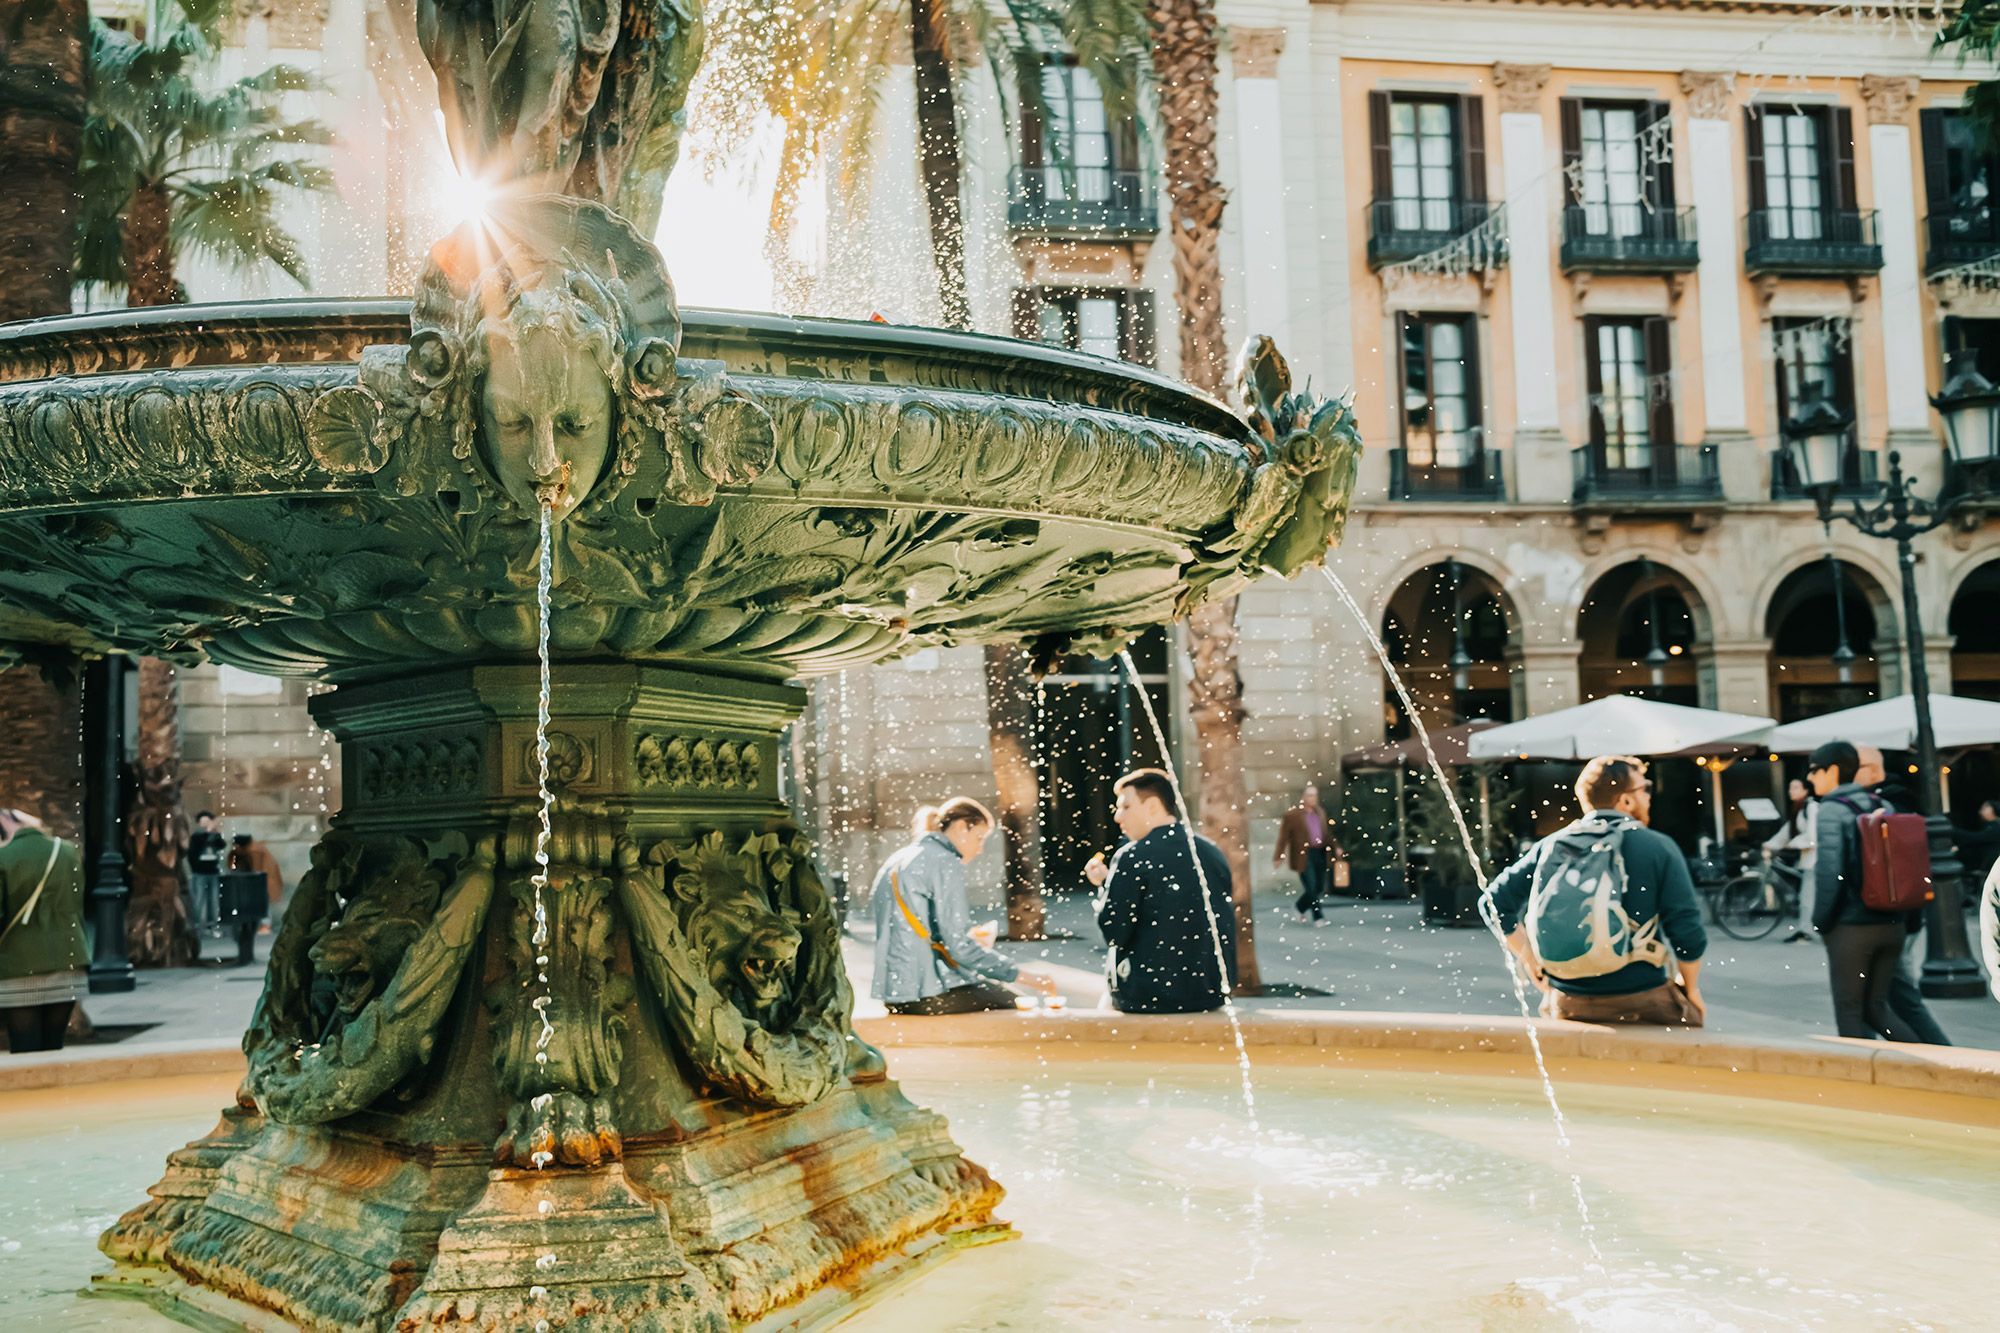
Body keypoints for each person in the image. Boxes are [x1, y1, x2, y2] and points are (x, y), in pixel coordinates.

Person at [1486, 755, 1707, 1027]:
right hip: (1642, 999)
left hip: (1567, 1000)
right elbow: (1687, 932)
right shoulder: (1657, 846)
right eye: (1645, 788)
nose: (1650, 796)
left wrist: (1529, 957)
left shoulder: (1552, 845)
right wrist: (1692, 989)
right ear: (1625, 800)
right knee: (1691, 1038)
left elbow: (1493, 902)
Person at [870, 799, 1058, 1015]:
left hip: (895, 993)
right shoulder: (944, 861)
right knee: (1019, 1008)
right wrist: (1025, 977)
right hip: (927, 994)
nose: (979, 849)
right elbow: (959, 948)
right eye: (979, 838)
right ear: (960, 827)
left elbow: (910, 931)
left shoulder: (898, 859)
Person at [1085, 768, 1237, 1014]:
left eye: (1125, 807)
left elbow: (1113, 930)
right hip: (1210, 995)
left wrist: (1105, 888)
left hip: (1149, 998)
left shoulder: (1132, 856)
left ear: (1153, 806)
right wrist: (1109, 881)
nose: (1117, 816)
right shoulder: (1210, 852)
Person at [1809, 741, 1925, 1043]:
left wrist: (1822, 921)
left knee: (1848, 1011)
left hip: (1853, 928)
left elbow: (1829, 873)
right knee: (1877, 1009)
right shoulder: (1881, 805)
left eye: (1814, 770)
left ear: (1833, 770)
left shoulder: (1832, 810)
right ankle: (1927, 1069)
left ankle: (1856, 1083)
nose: (1810, 778)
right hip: (1892, 923)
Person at [1854, 744, 1952, 1046]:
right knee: (1890, 998)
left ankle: (1945, 1059)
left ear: (1870, 769)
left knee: (1898, 998)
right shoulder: (1898, 799)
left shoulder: (1885, 805)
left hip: (1894, 916)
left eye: (1852, 768)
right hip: (1903, 915)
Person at [0, 808, 88, 1054]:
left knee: (25, 1049)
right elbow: (75, 902)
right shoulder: (68, 851)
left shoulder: (3, 858)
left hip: (19, 965)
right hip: (68, 960)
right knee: (53, 1047)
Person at [1274, 782, 1340, 925]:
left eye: (1315, 795)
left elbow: (1326, 834)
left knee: (1318, 888)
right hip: (1303, 855)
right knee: (1310, 885)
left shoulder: (1320, 812)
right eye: (1310, 795)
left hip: (1320, 852)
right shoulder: (1292, 815)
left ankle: (1299, 907)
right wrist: (1278, 856)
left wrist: (1336, 847)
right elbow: (1283, 837)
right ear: (1303, 797)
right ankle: (1318, 917)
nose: (1313, 798)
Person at [1762, 778, 1818, 944]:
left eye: (1795, 787)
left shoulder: (1812, 807)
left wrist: (1790, 844)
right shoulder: (1798, 810)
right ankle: (1804, 930)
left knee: (1807, 897)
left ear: (1806, 790)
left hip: (1817, 860)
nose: (1791, 791)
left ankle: (1805, 931)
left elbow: (1813, 836)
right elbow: (1785, 833)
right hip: (1808, 860)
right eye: (1790, 787)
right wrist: (1770, 844)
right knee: (1806, 897)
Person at [229, 833, 284, 937]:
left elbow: (234, 867)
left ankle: (262, 925)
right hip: (259, 881)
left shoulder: (249, 851)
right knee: (262, 904)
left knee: (260, 904)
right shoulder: (257, 849)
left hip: (256, 882)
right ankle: (263, 925)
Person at [187, 810, 226, 936]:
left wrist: (217, 833)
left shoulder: (214, 835)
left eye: (207, 821)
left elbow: (222, 845)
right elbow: (194, 850)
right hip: (200, 873)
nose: (205, 824)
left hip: (212, 872)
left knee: (214, 900)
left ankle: (212, 925)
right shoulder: (196, 836)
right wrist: (209, 832)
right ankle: (198, 925)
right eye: (203, 821)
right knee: (199, 900)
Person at [1953, 799, 2000, 888]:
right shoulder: (1991, 826)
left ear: (1991, 809)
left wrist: (1953, 831)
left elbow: (1977, 838)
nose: (1980, 811)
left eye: (1984, 808)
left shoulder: (1996, 826)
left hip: (1991, 865)